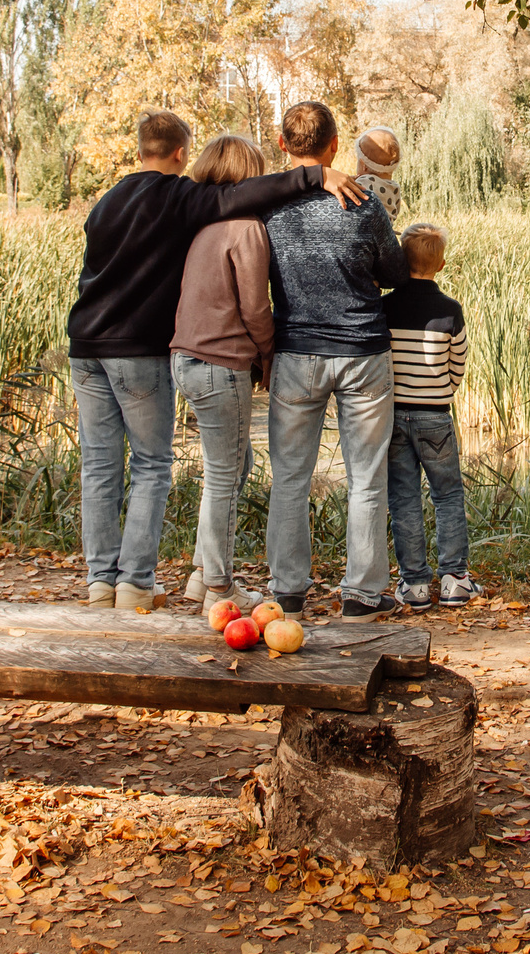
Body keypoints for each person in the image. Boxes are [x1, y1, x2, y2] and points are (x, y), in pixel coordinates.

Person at [65, 109, 367, 612]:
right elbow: (244, 198)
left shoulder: (106, 202)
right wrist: (318, 174)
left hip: (85, 346)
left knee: (98, 463)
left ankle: (101, 580)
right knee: (153, 464)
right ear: (181, 153)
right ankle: (138, 582)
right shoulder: (180, 198)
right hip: (137, 349)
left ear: (141, 148)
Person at [263, 99, 407, 620]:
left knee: (290, 475)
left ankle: (288, 589)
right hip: (363, 351)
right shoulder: (363, 204)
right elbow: (394, 272)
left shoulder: (268, 207)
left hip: (296, 353)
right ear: (334, 146)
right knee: (365, 476)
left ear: (282, 145)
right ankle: (363, 593)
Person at [169, 133, 275, 608]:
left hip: (185, 358)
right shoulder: (245, 227)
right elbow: (255, 307)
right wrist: (269, 353)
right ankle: (218, 587)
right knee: (224, 474)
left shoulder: (201, 225)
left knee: (234, 465)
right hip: (220, 362)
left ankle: (200, 574)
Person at [382, 222, 482, 608]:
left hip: (393, 416)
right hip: (435, 414)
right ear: (440, 265)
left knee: (403, 497)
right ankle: (455, 578)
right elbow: (458, 364)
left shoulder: (386, 306)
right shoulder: (449, 310)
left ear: (401, 261)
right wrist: (442, 390)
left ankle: (415, 584)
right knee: (447, 494)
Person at [353, 126, 405, 220]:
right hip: (384, 232)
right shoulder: (394, 187)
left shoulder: (365, 182)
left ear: (363, 164)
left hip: (366, 231)